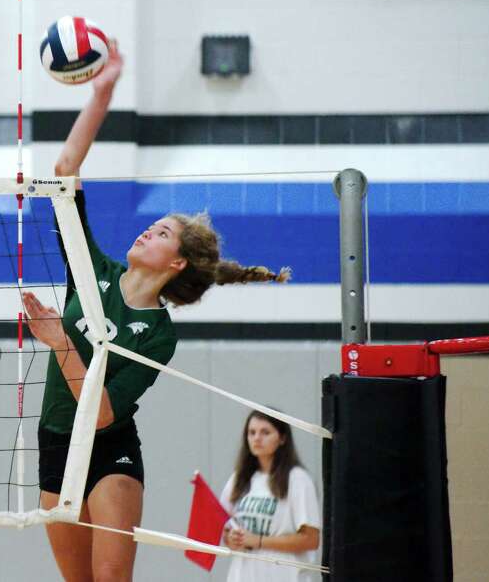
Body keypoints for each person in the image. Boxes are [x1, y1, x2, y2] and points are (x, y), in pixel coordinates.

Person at [21, 42, 290, 582]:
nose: (148, 230)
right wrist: (104, 90)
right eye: (153, 225)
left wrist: (60, 342)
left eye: (162, 232)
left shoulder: (160, 336)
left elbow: (98, 414)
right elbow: (65, 169)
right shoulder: (90, 270)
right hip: (55, 440)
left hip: (108, 448)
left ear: (177, 262)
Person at [219, 410, 321, 582]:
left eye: (265, 432)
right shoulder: (239, 478)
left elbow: (310, 539)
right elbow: (223, 526)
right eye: (252, 433)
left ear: (282, 438)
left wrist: (258, 541)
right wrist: (231, 538)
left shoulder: (297, 479)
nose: (257, 438)